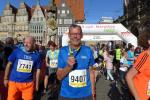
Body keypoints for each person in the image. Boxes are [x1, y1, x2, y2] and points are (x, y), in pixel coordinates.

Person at [56, 24, 96, 100]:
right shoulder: (63, 51)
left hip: (86, 95)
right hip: (66, 95)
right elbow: (59, 77)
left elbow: (91, 73)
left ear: (81, 35)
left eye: (78, 34)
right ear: (69, 35)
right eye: (73, 34)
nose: (75, 36)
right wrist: (68, 67)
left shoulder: (88, 50)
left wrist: (93, 92)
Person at [126, 25, 150, 100]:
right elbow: (128, 76)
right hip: (141, 96)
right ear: (149, 41)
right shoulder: (145, 56)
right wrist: (137, 97)